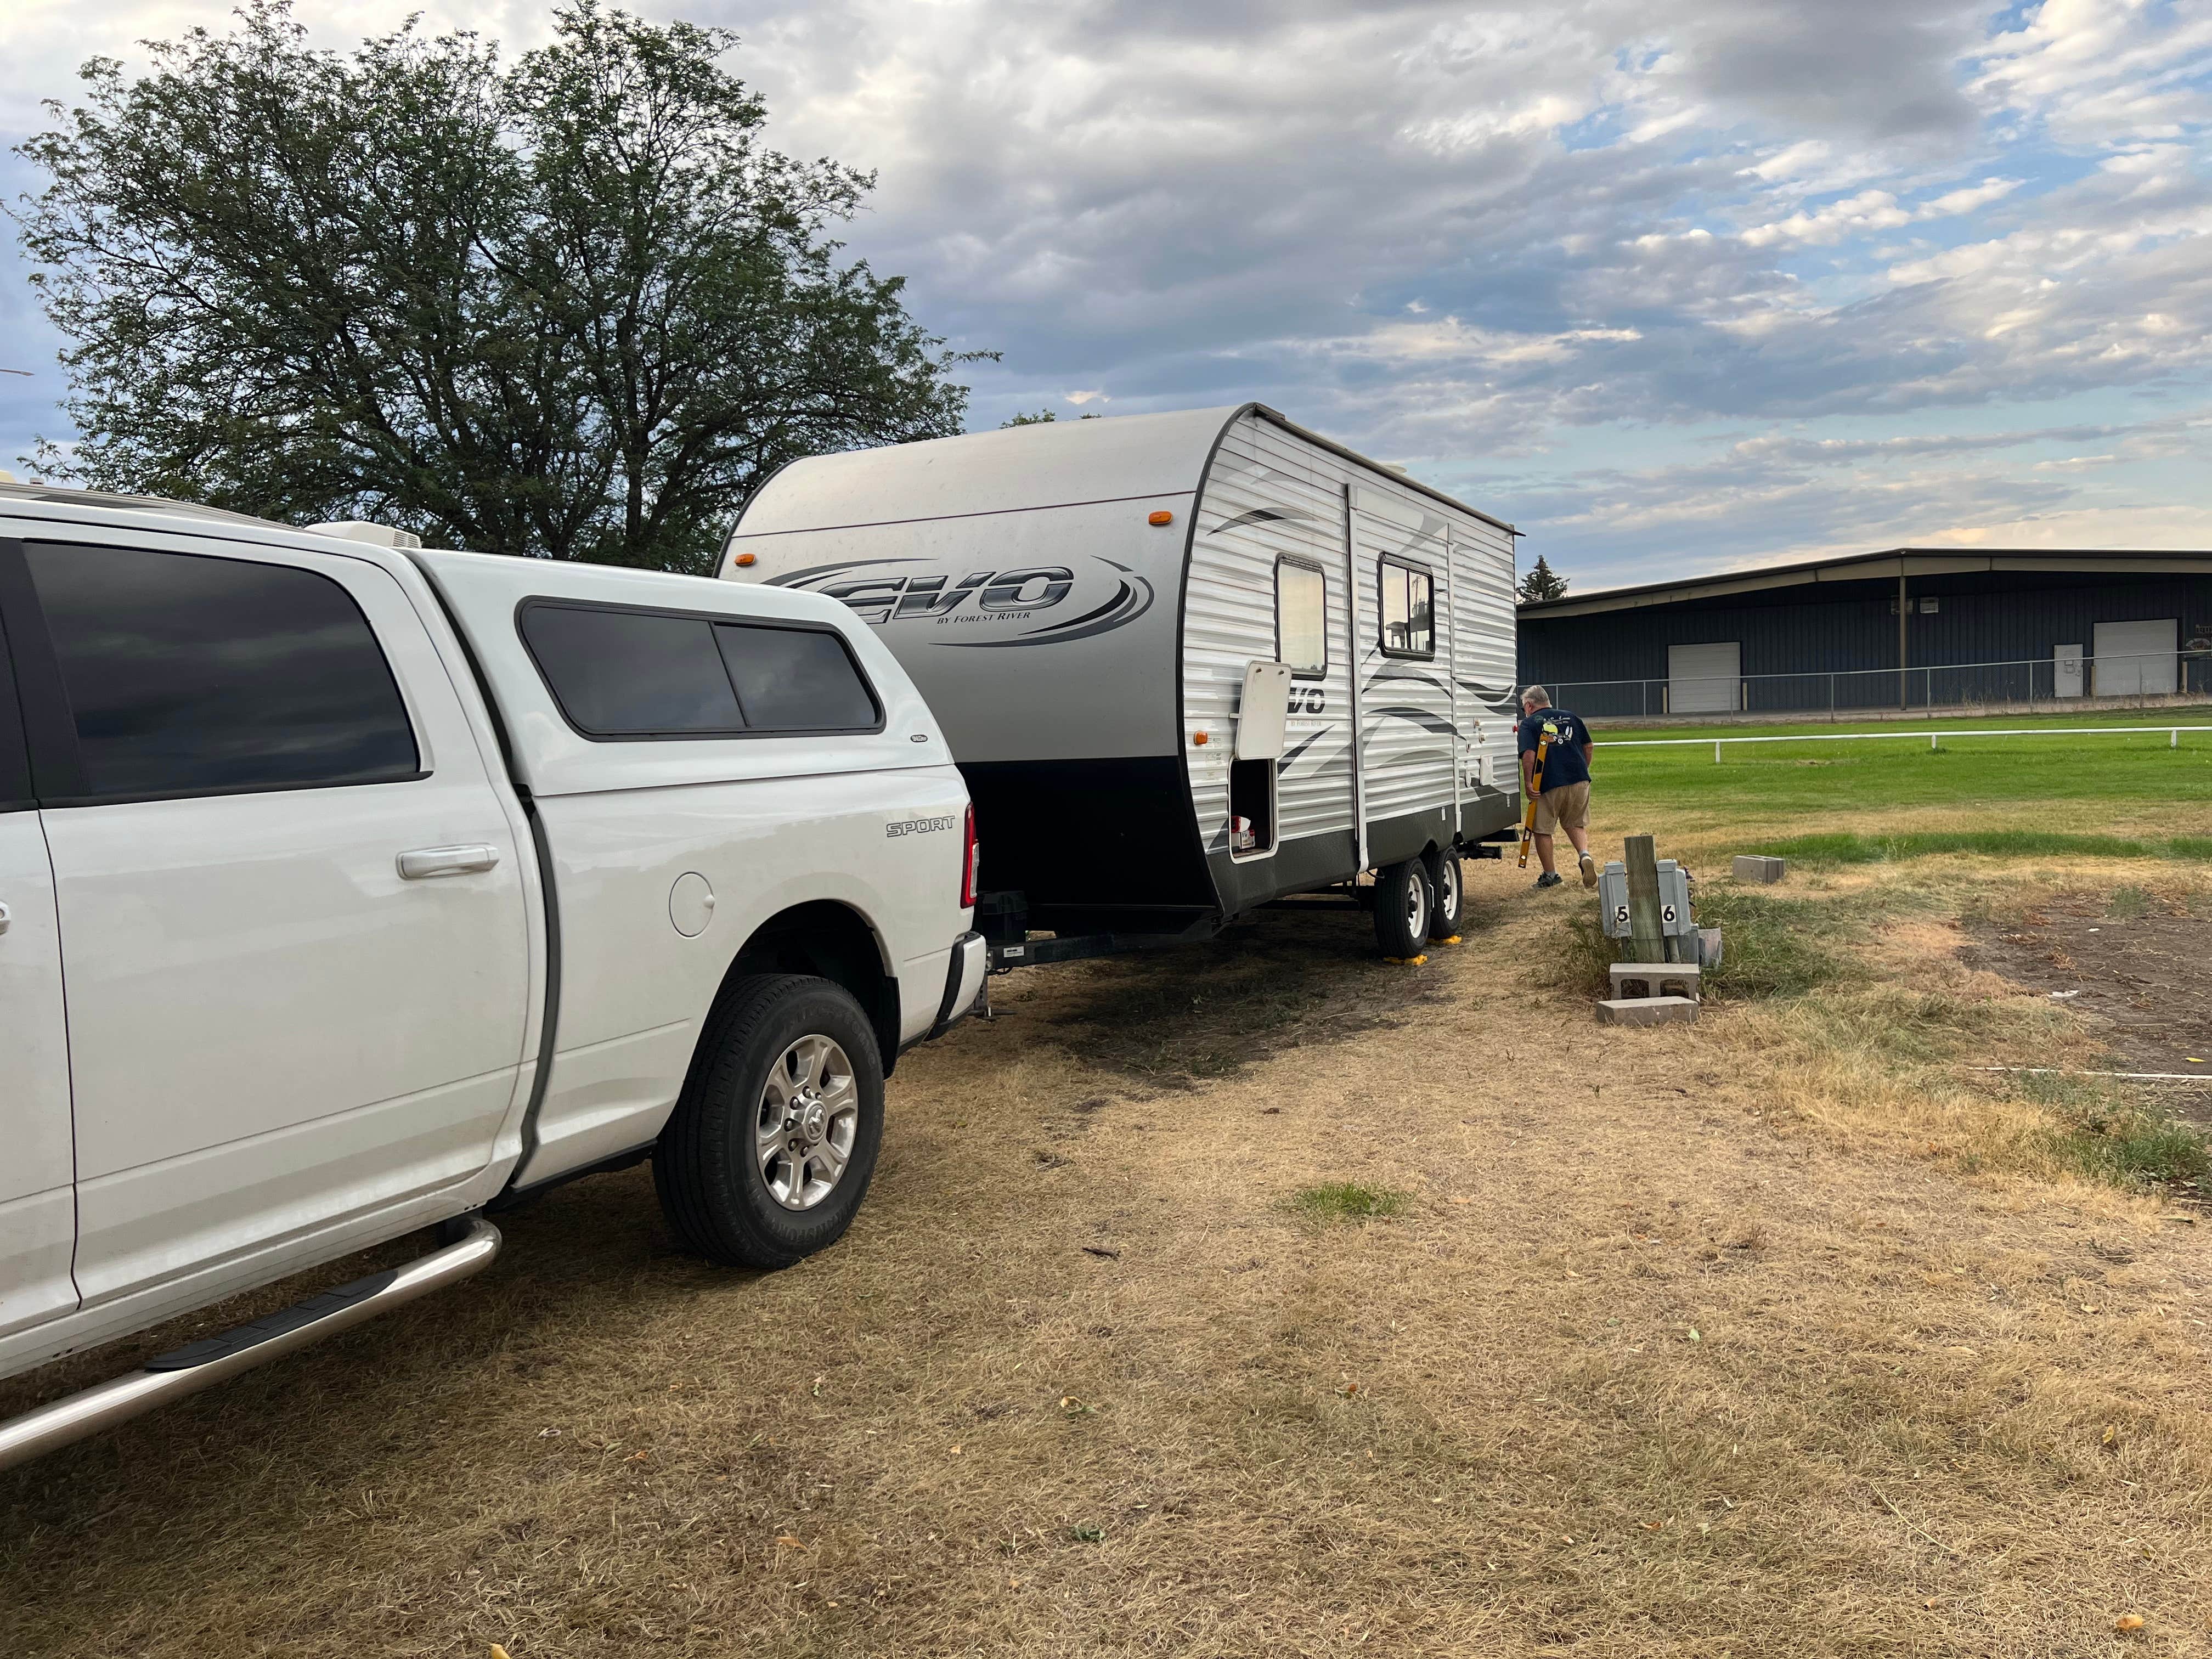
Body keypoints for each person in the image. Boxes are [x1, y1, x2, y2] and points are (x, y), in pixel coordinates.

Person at [1516, 686, 1596, 890]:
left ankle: (1551, 875)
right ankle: (1584, 855)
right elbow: (1589, 747)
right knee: (1574, 823)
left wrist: (1528, 783)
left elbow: (1529, 756)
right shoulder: (1571, 717)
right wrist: (1582, 769)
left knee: (1542, 829)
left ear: (1529, 705)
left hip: (1549, 782)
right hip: (1579, 779)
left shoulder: (1529, 724)